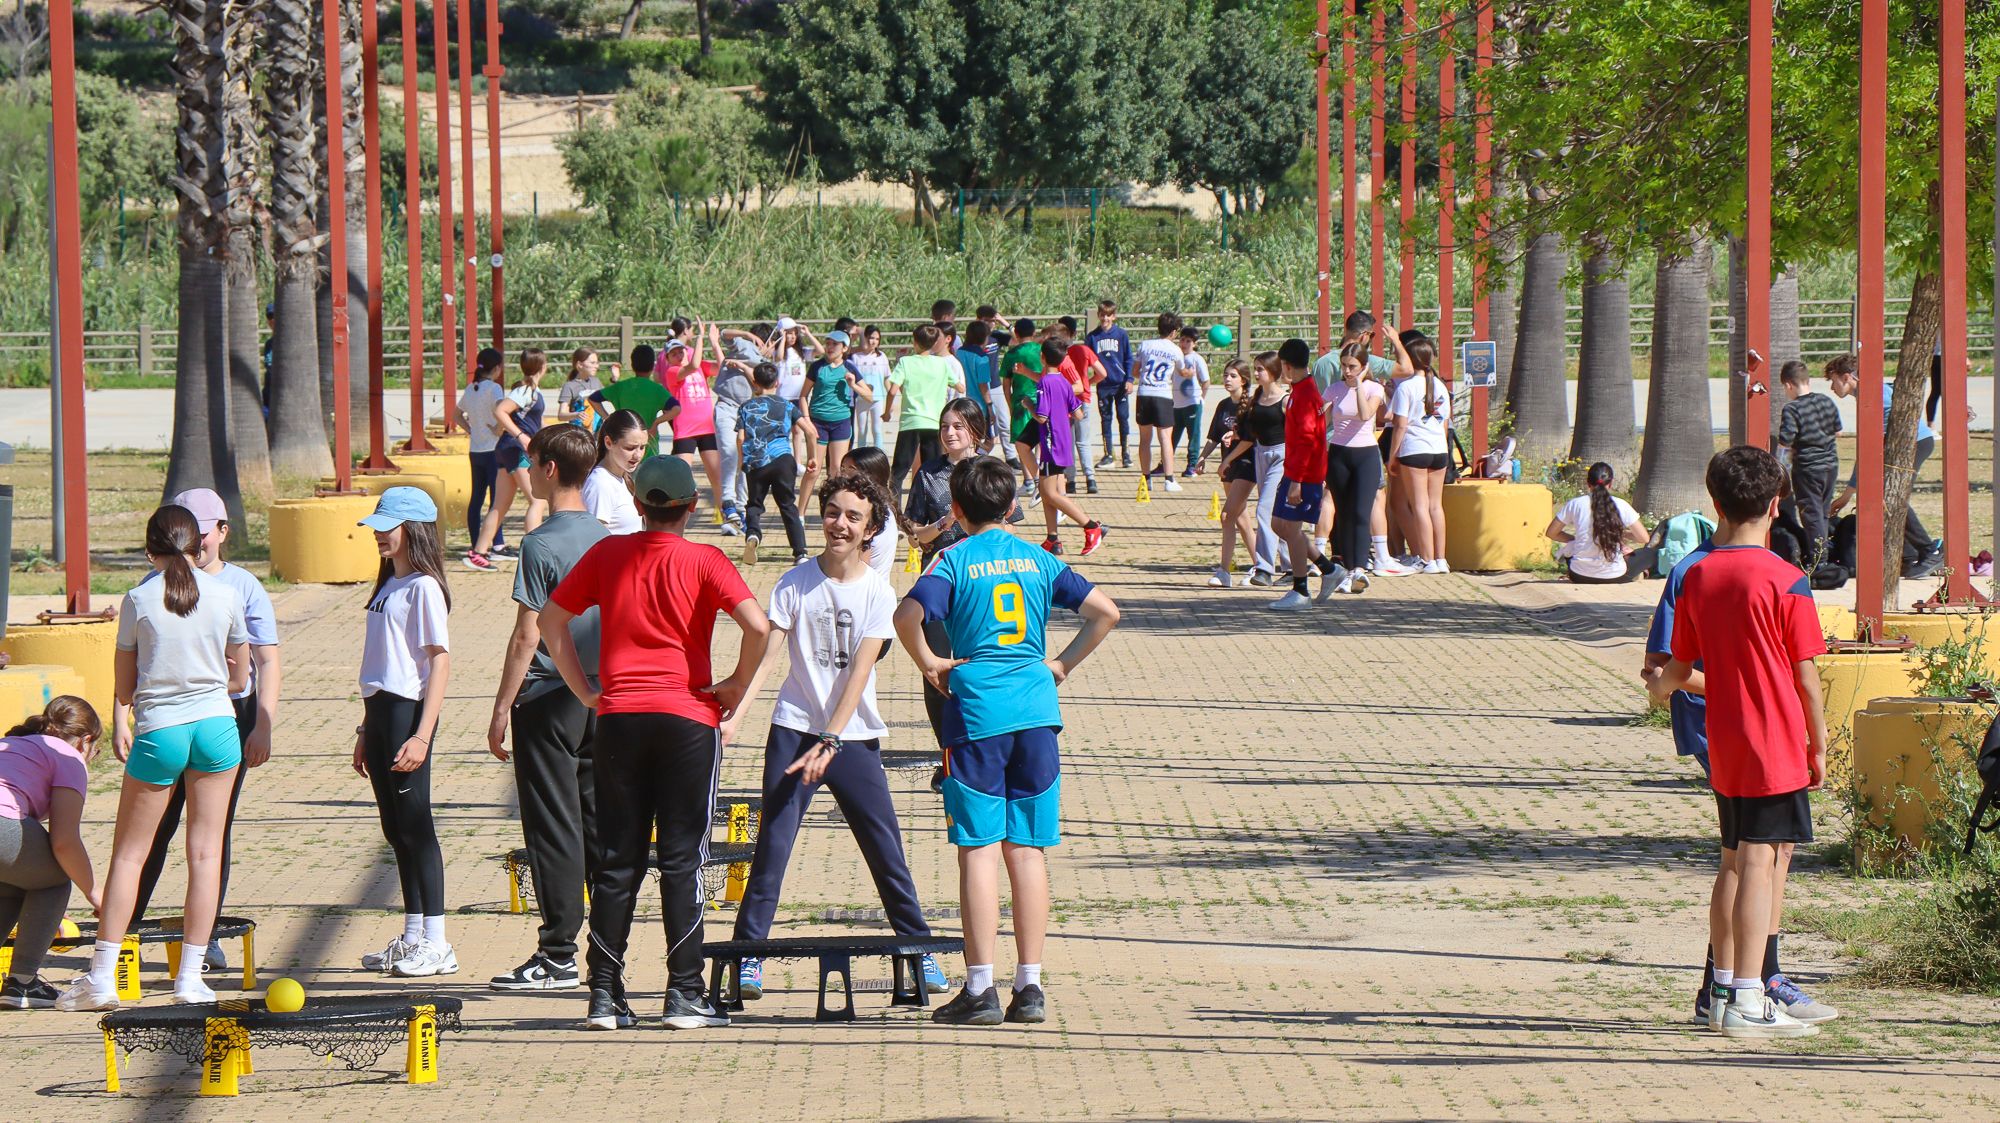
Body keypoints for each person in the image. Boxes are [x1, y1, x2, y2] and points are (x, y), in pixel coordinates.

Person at [540, 455, 771, 1032]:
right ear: (692, 507)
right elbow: (759, 627)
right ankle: (684, 992)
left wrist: (586, 690)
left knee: (617, 860)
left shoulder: (607, 553)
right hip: (687, 717)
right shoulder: (706, 559)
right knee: (682, 858)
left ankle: (604, 995)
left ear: (638, 505)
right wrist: (736, 686)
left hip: (619, 717)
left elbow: (550, 621)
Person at [894, 457, 1121, 1026]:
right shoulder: (1042, 559)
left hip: (977, 713)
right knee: (1028, 848)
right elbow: (1105, 613)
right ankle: (1031, 985)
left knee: (978, 847)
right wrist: (1062, 665)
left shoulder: (953, 558)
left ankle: (979, 988)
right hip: (1038, 712)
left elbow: (908, 615)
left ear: (957, 510)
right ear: (1014, 507)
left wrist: (930, 664)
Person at [719, 473, 952, 1004]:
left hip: (852, 738)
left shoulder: (878, 592)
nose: (840, 524)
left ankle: (918, 951)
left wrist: (831, 738)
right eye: (833, 513)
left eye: (853, 517)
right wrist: (737, 716)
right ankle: (747, 958)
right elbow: (767, 660)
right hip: (794, 730)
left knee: (884, 848)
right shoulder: (794, 583)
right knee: (772, 845)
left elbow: (859, 674)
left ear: (870, 529)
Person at [1649, 446, 1830, 1040]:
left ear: (1716, 504)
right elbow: (1807, 679)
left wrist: (1658, 691)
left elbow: (1677, 669)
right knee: (1761, 863)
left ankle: (1722, 990)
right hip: (1774, 741)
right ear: (1775, 506)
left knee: (1732, 861)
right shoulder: (1788, 580)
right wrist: (1820, 744)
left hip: (1724, 740)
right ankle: (1751, 998)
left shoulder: (1697, 574)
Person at [58, 506, 250, 1012]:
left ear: (150, 552)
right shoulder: (228, 596)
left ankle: (101, 976)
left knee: (129, 856)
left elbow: (124, 685)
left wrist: (130, 713)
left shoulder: (138, 599)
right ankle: (190, 977)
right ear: (198, 545)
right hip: (216, 728)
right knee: (205, 854)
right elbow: (240, 680)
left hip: (160, 730)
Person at [126, 489, 281, 974]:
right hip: (174, 720)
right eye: (188, 529)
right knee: (155, 832)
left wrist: (261, 725)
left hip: (224, 718)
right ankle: (126, 929)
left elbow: (265, 660)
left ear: (221, 532)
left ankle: (205, 937)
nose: (198, 539)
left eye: (205, 529)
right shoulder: (152, 586)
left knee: (211, 836)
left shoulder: (241, 586)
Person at [486, 427, 606, 992]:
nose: (528, 473)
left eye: (533, 464)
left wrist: (502, 705)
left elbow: (525, 636)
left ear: (552, 470)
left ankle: (557, 954)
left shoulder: (540, 543)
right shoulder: (609, 537)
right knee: (597, 824)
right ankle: (608, 950)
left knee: (554, 830)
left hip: (550, 695)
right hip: (602, 697)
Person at [351, 488, 456, 979]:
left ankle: (437, 941)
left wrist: (423, 735)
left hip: (407, 715)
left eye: (386, 526)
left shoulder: (423, 588)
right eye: (376, 525)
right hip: (381, 713)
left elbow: (438, 662)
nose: (377, 534)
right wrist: (365, 728)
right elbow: (380, 663)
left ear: (414, 529)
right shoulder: (389, 585)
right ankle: (413, 935)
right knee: (395, 830)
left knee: (417, 827)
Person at [0, 698, 101, 1009]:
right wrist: (95, 893)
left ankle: (19, 984)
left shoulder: (14, 743)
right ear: (86, 741)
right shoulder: (68, 757)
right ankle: (23, 982)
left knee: (12, 886)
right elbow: (65, 842)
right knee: (55, 878)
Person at [904, 399, 990, 755]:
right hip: (938, 579)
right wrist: (944, 524)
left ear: (974, 431)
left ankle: (980, 741)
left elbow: (1005, 527)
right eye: (944, 427)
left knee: (980, 662)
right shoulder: (928, 474)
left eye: (957, 426)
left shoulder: (990, 471)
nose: (949, 433)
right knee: (936, 665)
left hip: (982, 580)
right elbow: (914, 534)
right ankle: (948, 751)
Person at [1827, 354, 1942, 578]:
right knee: (1887, 500)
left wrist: (1846, 496)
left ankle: (1931, 550)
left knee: (1891, 498)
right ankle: (1908, 557)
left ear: (1848, 377)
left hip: (1916, 443)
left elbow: (1867, 450)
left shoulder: (1872, 395)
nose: (1832, 388)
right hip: (1907, 445)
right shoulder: (1868, 394)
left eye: (1833, 381)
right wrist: (1848, 494)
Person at [1266, 339, 1343, 609]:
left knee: (1291, 527)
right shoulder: (1298, 391)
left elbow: (1309, 440)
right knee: (1278, 524)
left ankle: (1300, 591)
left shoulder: (1307, 394)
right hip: (1294, 470)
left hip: (1305, 474)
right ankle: (1328, 568)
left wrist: (1297, 481)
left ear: (1287, 365)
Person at [469, 349, 553, 571]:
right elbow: (501, 410)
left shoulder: (531, 391)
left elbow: (535, 422)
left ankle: (478, 552)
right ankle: (534, 556)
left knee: (500, 505)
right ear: (542, 366)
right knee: (537, 501)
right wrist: (521, 436)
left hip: (507, 450)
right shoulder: (525, 390)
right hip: (515, 450)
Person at [738, 361, 820, 566]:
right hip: (783, 460)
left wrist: (742, 462)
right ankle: (800, 553)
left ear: (754, 383)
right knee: (787, 506)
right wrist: (812, 457)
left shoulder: (746, 407)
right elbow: (810, 432)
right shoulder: (786, 405)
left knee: (754, 505)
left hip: (756, 462)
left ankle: (753, 535)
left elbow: (740, 438)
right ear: (777, 382)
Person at [1032, 338, 1107, 557]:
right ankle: (1052, 539)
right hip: (1063, 442)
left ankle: (1091, 526)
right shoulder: (1065, 383)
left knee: (1049, 494)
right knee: (1049, 493)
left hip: (1050, 443)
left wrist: (1029, 406)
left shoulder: (1044, 383)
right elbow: (1079, 413)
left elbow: (1042, 417)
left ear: (1042, 358)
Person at [1321, 343, 1386, 593]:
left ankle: (1360, 567)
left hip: (1365, 454)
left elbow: (1364, 413)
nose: (1348, 371)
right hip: (1338, 452)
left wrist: (1358, 384)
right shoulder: (1334, 389)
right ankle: (1347, 568)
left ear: (1364, 366)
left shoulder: (1373, 388)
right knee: (1343, 513)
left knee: (1361, 512)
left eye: (1353, 367)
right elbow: (1322, 417)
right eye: (1345, 366)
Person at [1387, 337, 1451, 573]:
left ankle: (1426, 559)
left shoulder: (1406, 387)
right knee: (1436, 506)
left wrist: (1393, 456)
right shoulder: (1441, 386)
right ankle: (1441, 558)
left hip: (1414, 449)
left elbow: (1400, 426)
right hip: (1439, 450)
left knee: (1420, 505)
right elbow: (1444, 423)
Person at [1196, 360, 1261, 587]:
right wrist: (1202, 458)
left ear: (1243, 380)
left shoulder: (1251, 405)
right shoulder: (1223, 405)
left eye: (1232, 376)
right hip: (1228, 465)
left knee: (1227, 515)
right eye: (1225, 375)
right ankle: (1260, 566)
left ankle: (1224, 571)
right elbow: (1214, 436)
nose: (1227, 379)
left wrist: (1228, 459)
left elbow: (1249, 439)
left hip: (1246, 463)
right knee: (1240, 517)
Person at [885, 324, 964, 495]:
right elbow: (960, 387)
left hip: (911, 422)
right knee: (933, 472)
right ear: (935, 341)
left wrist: (886, 412)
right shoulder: (942, 364)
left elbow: (892, 390)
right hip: (934, 422)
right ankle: (933, 512)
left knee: (898, 473)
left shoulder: (906, 362)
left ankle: (895, 515)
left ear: (915, 342)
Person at [1777, 360, 1841, 568]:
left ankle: (1818, 561)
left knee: (1810, 513)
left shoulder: (1792, 409)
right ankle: (1823, 552)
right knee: (1822, 511)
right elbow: (1838, 431)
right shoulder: (1826, 401)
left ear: (1788, 385)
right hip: (1831, 465)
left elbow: (1786, 440)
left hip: (1807, 467)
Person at [1547, 463, 1651, 583]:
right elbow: (1644, 538)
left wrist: (1575, 539)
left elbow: (1551, 533)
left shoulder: (1575, 504)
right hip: (1615, 576)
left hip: (1578, 575)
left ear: (1588, 483)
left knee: (1571, 549)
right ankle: (1641, 574)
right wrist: (1621, 534)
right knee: (1649, 554)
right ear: (1611, 484)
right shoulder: (1621, 504)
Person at [1241, 352, 1291, 586]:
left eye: (1261, 369)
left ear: (1273, 371)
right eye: (1256, 368)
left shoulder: (1285, 400)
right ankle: (1291, 566)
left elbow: (1299, 431)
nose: (1257, 373)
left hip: (1282, 455)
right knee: (1277, 512)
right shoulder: (1258, 395)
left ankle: (1264, 568)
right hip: (1261, 452)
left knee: (1264, 509)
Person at [456, 347, 510, 561]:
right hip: (493, 450)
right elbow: (501, 413)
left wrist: (470, 429)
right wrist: (499, 429)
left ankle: (476, 541)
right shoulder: (494, 389)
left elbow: (456, 415)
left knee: (476, 498)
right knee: (497, 500)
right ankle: (496, 544)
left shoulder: (472, 388)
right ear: (497, 368)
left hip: (475, 449)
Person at [668, 326, 727, 518]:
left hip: (707, 428)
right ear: (668, 359)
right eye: (673, 354)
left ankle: (724, 515)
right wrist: (701, 337)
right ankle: (679, 517)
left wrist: (715, 343)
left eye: (680, 351)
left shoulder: (701, 366)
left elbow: (722, 367)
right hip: (685, 431)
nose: (678, 355)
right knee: (681, 478)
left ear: (687, 351)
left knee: (717, 475)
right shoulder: (673, 372)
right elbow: (692, 366)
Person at [588, 343, 679, 460]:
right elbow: (676, 409)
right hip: (648, 444)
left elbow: (593, 399)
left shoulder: (621, 387)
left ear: (632, 364)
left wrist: (608, 417)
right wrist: (656, 422)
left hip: (624, 442)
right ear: (652, 366)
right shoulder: (657, 390)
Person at [807, 329, 871, 480]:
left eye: (835, 344)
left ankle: (833, 502)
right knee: (814, 470)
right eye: (828, 343)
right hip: (818, 422)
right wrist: (806, 417)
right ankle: (803, 504)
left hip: (840, 421)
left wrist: (853, 385)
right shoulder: (817, 367)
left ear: (844, 348)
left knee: (837, 470)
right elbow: (803, 395)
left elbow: (869, 396)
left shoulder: (850, 367)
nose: (830, 347)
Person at [1132, 313, 1186, 488]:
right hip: (1163, 394)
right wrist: (1190, 373)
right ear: (1174, 332)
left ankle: (1145, 478)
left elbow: (1135, 371)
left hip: (1144, 393)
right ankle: (1169, 479)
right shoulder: (1175, 350)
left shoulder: (1145, 345)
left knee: (1145, 439)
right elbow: (1182, 371)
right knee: (1165, 438)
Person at [1056, 317, 1105, 493]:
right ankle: (1090, 479)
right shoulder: (1084, 350)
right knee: (1083, 441)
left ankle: (1071, 481)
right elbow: (1102, 373)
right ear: (1075, 333)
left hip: (1064, 400)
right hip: (1082, 399)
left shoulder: (1058, 354)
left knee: (1067, 442)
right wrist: (1088, 383)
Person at [842, 446, 904, 581]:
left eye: (851, 469)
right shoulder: (883, 507)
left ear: (872, 475)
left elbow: (860, 567)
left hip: (865, 596)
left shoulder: (868, 513)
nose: (843, 475)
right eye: (843, 469)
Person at [1087, 300, 1134, 468]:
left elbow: (1129, 358)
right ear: (1098, 315)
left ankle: (1126, 453)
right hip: (1103, 385)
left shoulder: (1121, 334)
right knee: (1106, 419)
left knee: (1123, 418)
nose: (1105, 318)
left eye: (1108, 315)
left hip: (1120, 384)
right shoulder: (1092, 336)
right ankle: (1108, 454)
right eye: (1102, 315)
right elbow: (1087, 359)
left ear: (1114, 316)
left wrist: (1129, 379)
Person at [583, 410, 646, 536]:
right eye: (630, 448)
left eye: (642, 447)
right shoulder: (600, 484)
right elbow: (593, 542)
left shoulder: (621, 478)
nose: (638, 455)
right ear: (609, 443)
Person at [1002, 320, 1047, 485]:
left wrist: (1009, 405)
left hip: (1020, 401)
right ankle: (1040, 474)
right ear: (1034, 333)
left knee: (1022, 441)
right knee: (1040, 439)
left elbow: (1006, 385)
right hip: (1041, 399)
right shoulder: (1041, 350)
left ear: (1017, 334)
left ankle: (1029, 480)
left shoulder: (1011, 354)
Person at [1171, 326, 1212, 474]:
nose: (1184, 343)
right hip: (1176, 403)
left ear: (1194, 344)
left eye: (1188, 341)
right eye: (1182, 340)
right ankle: (1166, 462)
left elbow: (1206, 381)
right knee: (1172, 435)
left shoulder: (1196, 359)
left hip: (1192, 403)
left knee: (1193, 435)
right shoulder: (1176, 357)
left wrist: (1201, 398)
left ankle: (1192, 465)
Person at [850, 325, 891, 451]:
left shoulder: (882, 357)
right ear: (865, 338)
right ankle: (861, 457)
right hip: (861, 399)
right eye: (871, 338)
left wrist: (891, 399)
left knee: (877, 429)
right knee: (862, 430)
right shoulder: (856, 357)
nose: (873, 341)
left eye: (877, 339)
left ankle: (879, 455)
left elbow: (886, 378)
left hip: (877, 399)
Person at [558, 348, 605, 429]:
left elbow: (612, 397)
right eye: (592, 363)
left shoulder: (596, 382)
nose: (596, 366)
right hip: (578, 435)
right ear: (580, 365)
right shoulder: (569, 386)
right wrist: (576, 415)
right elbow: (561, 415)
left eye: (597, 363)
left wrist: (614, 379)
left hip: (597, 435)